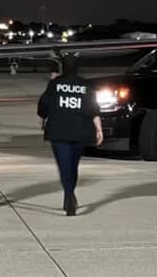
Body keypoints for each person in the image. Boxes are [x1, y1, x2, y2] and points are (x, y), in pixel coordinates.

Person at [37, 54, 103, 216]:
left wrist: (42, 120)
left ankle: (68, 195)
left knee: (64, 164)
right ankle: (70, 192)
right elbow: (93, 109)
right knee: (73, 165)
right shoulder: (85, 85)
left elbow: (43, 106)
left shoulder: (55, 84)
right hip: (80, 131)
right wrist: (99, 129)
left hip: (59, 130)